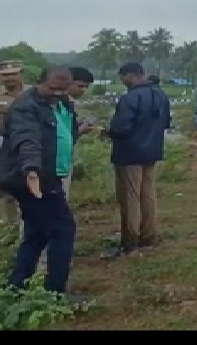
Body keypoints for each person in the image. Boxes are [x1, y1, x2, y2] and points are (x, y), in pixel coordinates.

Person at [0, 67, 78, 296]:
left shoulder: (63, 104)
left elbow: (60, 134)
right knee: (64, 229)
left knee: (37, 232)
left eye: (63, 90)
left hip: (48, 175)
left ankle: (17, 286)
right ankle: (55, 292)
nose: (57, 93)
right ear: (40, 82)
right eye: (53, 89)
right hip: (34, 178)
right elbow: (27, 139)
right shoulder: (26, 106)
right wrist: (31, 171)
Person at [104, 62, 171, 258]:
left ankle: (129, 242)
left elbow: (120, 128)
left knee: (129, 197)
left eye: (123, 78)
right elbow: (166, 123)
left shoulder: (129, 98)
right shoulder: (161, 95)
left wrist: (108, 131)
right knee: (148, 194)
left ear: (130, 76)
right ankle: (148, 236)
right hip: (151, 151)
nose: (123, 82)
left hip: (129, 154)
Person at [0, 60, 29, 232]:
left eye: (13, 74)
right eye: (5, 75)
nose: (9, 78)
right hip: (3, 143)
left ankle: (26, 225)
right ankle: (9, 228)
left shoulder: (32, 93)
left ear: (20, 74)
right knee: (5, 187)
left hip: (27, 143)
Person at [64, 67, 97, 197]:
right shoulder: (61, 103)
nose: (83, 90)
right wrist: (80, 130)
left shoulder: (69, 103)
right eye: (80, 86)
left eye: (86, 87)